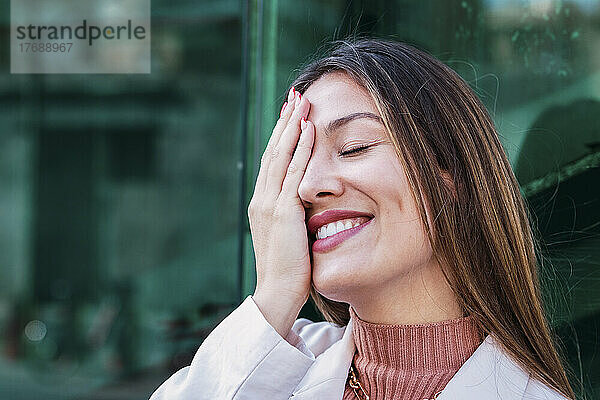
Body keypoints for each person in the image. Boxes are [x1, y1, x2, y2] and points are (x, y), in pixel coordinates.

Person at [149, 37, 575, 400]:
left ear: (451, 175)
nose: (308, 186)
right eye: (295, 164)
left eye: (352, 148)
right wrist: (273, 296)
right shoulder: (264, 370)